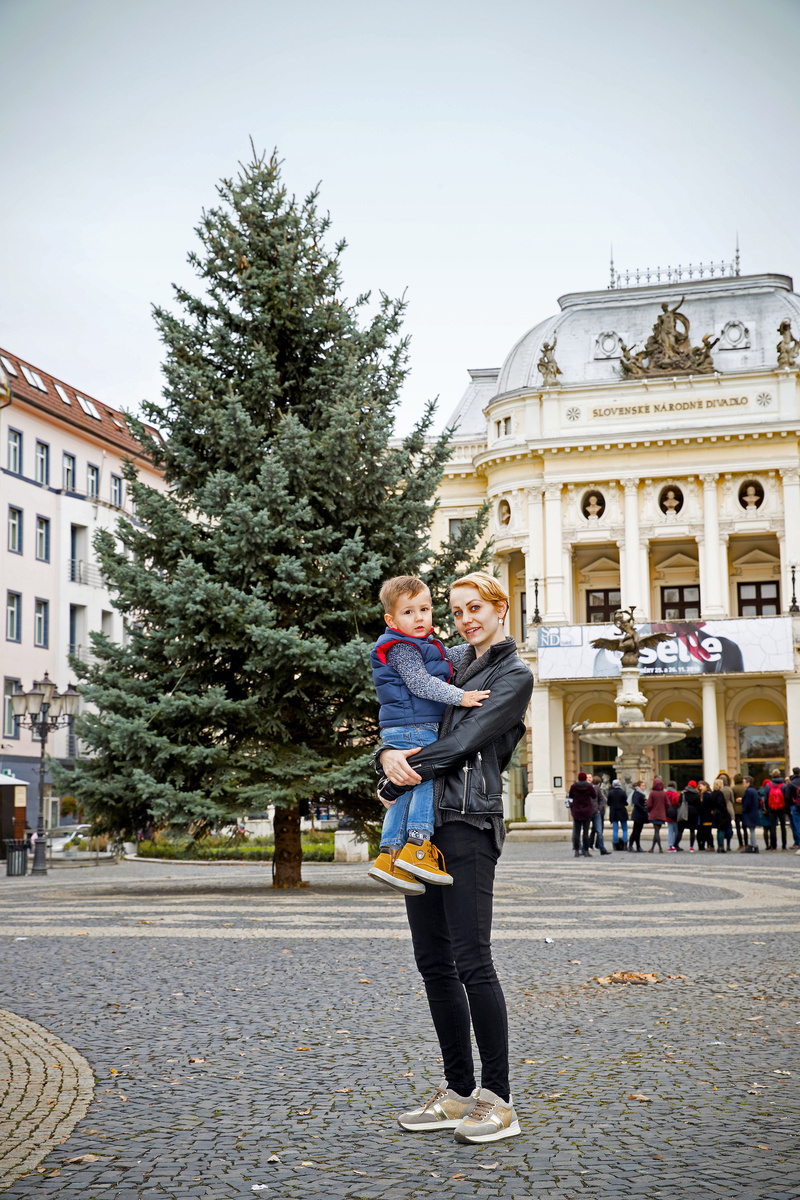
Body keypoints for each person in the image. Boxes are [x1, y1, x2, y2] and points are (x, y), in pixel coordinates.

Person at [376, 571, 532, 1144]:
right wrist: (386, 755)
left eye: (476, 609)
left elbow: (464, 742)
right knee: (433, 965)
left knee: (473, 962)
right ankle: (458, 1091)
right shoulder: (447, 665)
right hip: (428, 831)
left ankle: (499, 1100)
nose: (467, 619)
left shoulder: (513, 676)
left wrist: (399, 776)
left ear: (500, 609)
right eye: (458, 610)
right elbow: (409, 723)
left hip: (469, 824)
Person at [368, 575, 490, 894]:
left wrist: (488, 640)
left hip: (406, 725)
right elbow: (420, 683)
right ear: (391, 620)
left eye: (424, 609)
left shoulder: (424, 645)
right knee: (425, 779)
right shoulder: (402, 647)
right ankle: (418, 846)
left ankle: (389, 855)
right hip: (415, 725)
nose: (419, 617)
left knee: (405, 786)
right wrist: (460, 697)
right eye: (409, 612)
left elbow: (453, 656)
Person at [568, 773, 596, 858]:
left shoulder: (574, 786)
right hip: (586, 811)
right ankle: (586, 851)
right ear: (585, 778)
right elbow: (594, 796)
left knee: (577, 832)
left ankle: (576, 850)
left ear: (578, 778)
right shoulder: (589, 786)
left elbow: (570, 796)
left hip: (577, 811)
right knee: (585, 832)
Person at [760, 769, 788, 851]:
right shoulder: (783, 786)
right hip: (782, 808)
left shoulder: (768, 785)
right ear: (780, 776)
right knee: (783, 827)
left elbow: (765, 798)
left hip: (772, 808)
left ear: (772, 776)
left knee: (773, 827)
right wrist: (785, 808)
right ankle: (784, 845)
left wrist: (767, 808)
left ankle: (774, 846)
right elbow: (786, 798)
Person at [589, 774, 610, 855]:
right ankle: (590, 846)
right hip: (593, 812)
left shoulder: (596, 788)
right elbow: (603, 800)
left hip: (596, 811)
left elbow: (601, 799)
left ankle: (598, 847)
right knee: (597, 830)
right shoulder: (594, 788)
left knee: (596, 830)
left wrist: (598, 808)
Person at [646, 776, 668, 853]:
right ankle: (654, 848)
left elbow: (648, 804)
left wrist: (649, 811)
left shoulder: (652, 793)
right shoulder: (663, 793)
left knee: (656, 832)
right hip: (661, 814)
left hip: (654, 814)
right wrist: (664, 810)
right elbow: (668, 804)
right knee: (657, 831)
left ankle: (659, 848)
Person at [740, 776, 761, 853]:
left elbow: (747, 803)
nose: (743, 784)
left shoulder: (748, 791)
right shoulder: (754, 790)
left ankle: (755, 846)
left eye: (744, 782)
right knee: (752, 830)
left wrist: (743, 810)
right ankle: (752, 845)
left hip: (749, 813)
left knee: (752, 830)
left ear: (748, 783)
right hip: (754, 812)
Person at [607, 778, 629, 850]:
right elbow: (626, 803)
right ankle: (625, 844)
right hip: (622, 811)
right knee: (625, 829)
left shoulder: (611, 792)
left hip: (613, 812)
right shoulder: (623, 792)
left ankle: (615, 844)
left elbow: (608, 803)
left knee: (615, 829)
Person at [711, 781, 732, 853]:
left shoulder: (713, 793)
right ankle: (721, 846)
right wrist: (725, 811)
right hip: (721, 814)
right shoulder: (719, 793)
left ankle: (719, 846)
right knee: (721, 830)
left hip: (716, 813)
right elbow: (720, 803)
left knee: (719, 830)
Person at [717, 773, 736, 852]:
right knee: (729, 827)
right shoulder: (728, 788)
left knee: (720, 828)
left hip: (720, 809)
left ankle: (720, 845)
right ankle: (728, 844)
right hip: (729, 807)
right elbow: (733, 800)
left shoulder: (718, 789)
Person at [680, 780, 701, 851]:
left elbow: (679, 802)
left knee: (680, 830)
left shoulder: (683, 793)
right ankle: (691, 847)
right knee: (692, 831)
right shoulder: (696, 794)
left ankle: (675, 845)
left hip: (684, 812)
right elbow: (699, 806)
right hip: (693, 813)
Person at [629, 781, 647, 852]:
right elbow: (636, 803)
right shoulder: (637, 793)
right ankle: (636, 846)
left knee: (637, 831)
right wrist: (643, 808)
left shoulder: (640, 793)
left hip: (640, 814)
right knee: (636, 831)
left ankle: (633, 846)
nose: (644, 787)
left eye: (644, 786)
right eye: (642, 786)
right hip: (638, 814)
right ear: (639, 786)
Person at [785, 766, 800, 853]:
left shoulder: (790, 784)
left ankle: (797, 843)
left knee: (796, 825)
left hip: (794, 805)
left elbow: (787, 797)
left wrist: (787, 809)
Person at [697, 782, 715, 851]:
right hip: (706, 815)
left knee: (707, 832)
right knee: (707, 832)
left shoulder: (706, 795)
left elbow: (705, 805)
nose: (700, 788)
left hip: (706, 816)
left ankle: (711, 845)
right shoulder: (705, 794)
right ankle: (710, 845)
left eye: (701, 786)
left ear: (705, 786)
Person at [664, 779, 681, 851]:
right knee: (676, 830)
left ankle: (670, 845)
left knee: (670, 831)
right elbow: (677, 803)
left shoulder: (665, 793)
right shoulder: (674, 794)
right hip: (674, 814)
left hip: (667, 814)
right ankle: (675, 844)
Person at [731, 773, 746, 849]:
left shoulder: (733, 788)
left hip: (736, 810)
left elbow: (732, 799)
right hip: (744, 810)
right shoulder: (745, 788)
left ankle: (741, 844)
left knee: (738, 828)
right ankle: (746, 844)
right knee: (745, 827)